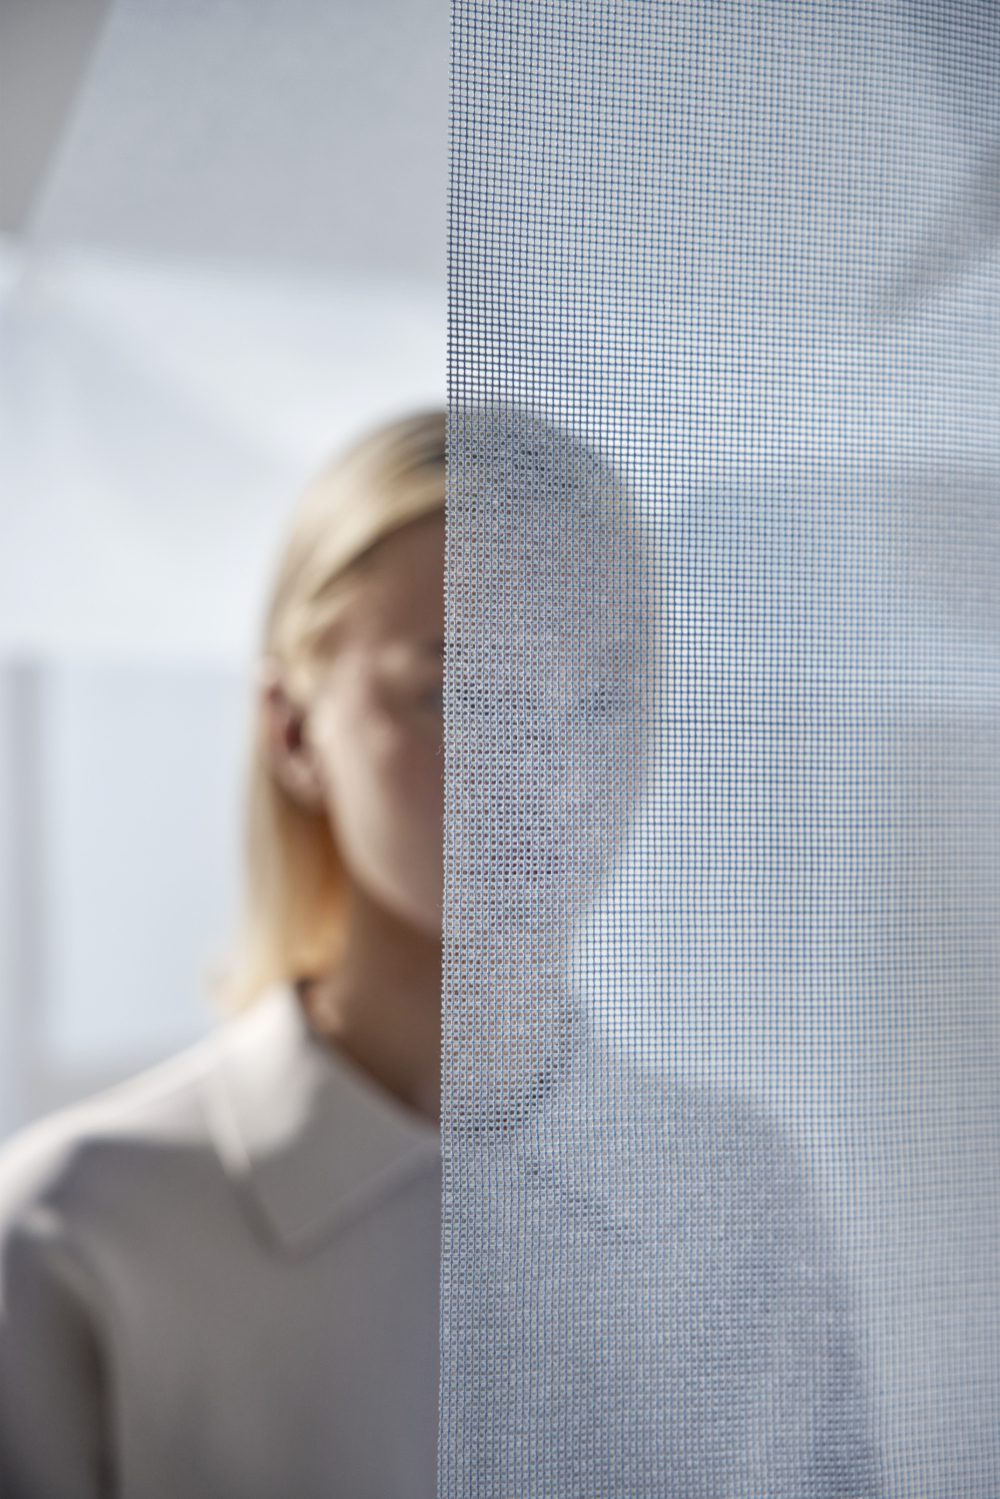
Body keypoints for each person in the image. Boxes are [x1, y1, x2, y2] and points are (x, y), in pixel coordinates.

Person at [0, 404, 880, 1497]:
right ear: (292, 729)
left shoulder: (741, 1204)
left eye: (600, 697)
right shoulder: (79, 1230)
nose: (544, 766)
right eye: (456, 693)